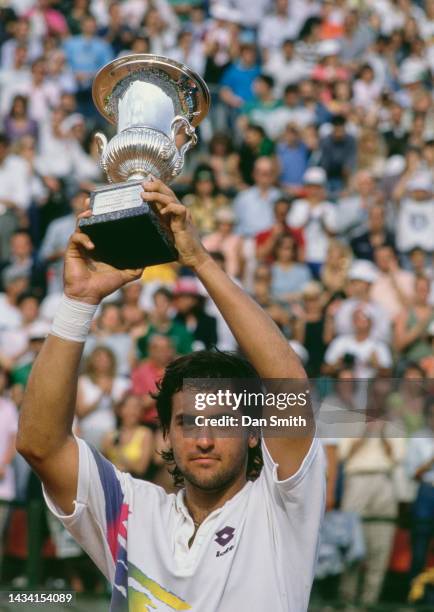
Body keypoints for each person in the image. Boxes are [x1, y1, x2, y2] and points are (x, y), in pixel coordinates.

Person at [17, 178, 325, 611]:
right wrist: (77, 302)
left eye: (220, 421)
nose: (202, 438)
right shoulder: (132, 512)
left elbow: (288, 388)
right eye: (188, 422)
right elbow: (41, 446)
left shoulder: (283, 507)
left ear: (253, 432)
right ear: (166, 434)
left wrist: (198, 260)